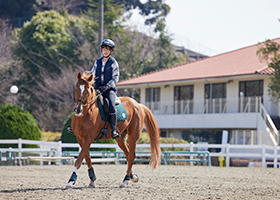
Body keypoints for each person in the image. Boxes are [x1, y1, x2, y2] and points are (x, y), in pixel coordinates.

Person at [91, 39, 120, 139]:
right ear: (101, 50)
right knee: (84, 99)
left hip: (109, 89)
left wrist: (107, 86)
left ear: (111, 51)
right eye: (104, 49)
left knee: (111, 104)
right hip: (98, 88)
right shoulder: (97, 61)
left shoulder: (113, 62)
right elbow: (92, 74)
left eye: (108, 49)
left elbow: (116, 77)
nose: (105, 51)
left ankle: (113, 129)